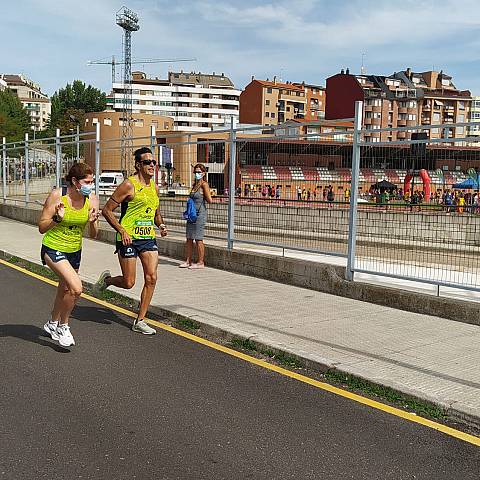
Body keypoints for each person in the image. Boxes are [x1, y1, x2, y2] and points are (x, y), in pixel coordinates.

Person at [97, 147, 168, 335]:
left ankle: (140, 320)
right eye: (147, 162)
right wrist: (121, 230)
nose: (152, 165)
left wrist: (160, 225)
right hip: (128, 238)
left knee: (151, 277)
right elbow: (107, 210)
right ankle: (108, 280)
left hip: (147, 238)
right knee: (129, 282)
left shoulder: (154, 187)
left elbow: (156, 214)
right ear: (138, 165)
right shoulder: (129, 185)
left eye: (154, 162)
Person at [39, 163, 99, 347]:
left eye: (92, 181)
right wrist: (57, 218)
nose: (91, 185)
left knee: (65, 289)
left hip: (74, 251)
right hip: (53, 247)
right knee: (76, 288)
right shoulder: (58, 195)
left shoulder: (93, 199)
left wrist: (92, 222)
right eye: (87, 181)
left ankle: (51, 324)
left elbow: (94, 235)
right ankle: (63, 326)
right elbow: (42, 227)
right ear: (75, 181)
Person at [179, 163, 212, 269]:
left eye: (199, 172)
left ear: (203, 173)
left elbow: (209, 200)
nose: (197, 174)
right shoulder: (194, 185)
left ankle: (200, 262)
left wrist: (205, 195)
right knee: (189, 238)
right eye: (196, 172)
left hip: (199, 214)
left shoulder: (204, 185)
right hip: (191, 214)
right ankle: (188, 261)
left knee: (198, 238)